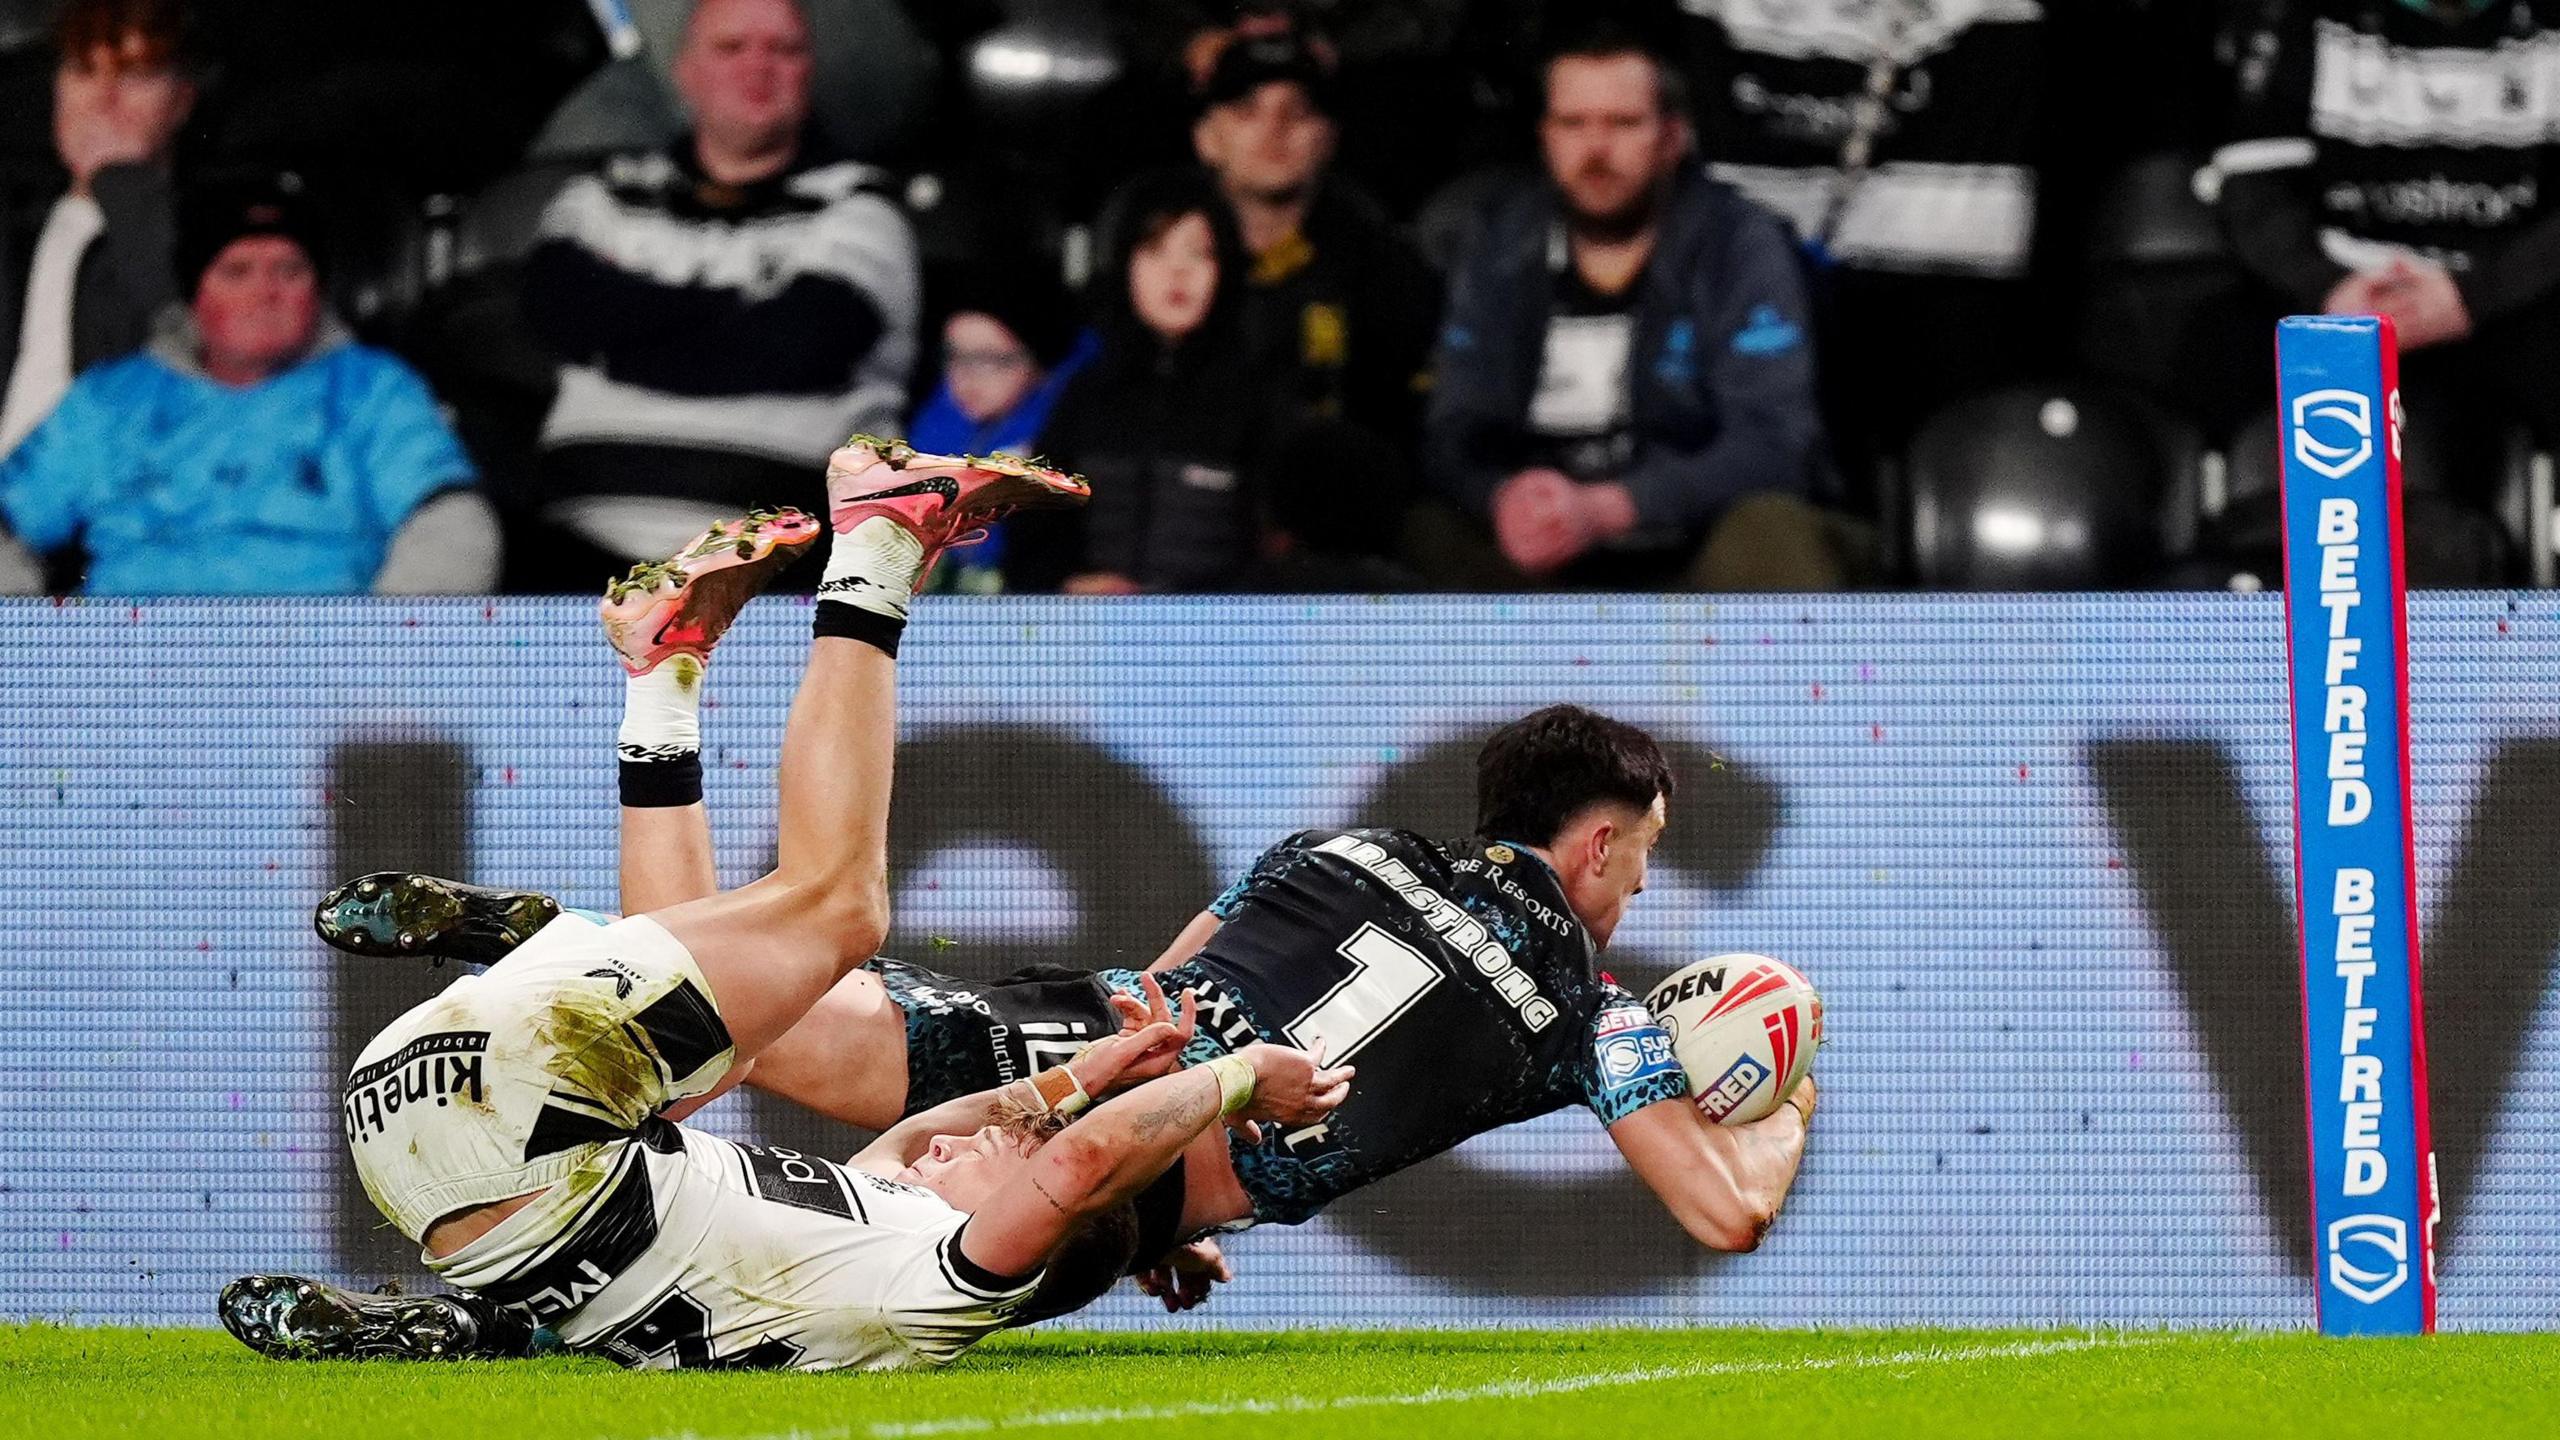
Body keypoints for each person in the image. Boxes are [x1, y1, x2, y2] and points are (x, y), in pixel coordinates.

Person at [225, 434, 1818, 1353]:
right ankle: (866, 563)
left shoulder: (1352, 850)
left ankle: (662, 701)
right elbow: (1723, 1214)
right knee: (806, 944)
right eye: (1649, 855)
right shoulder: (1590, 1018)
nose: (1637, 885)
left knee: (740, 1035)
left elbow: (1188, 961)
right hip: (1126, 1142)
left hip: (1086, 1037)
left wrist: (1160, 1141)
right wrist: (1783, 1077)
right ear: (1604, 846)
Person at [229, 447, 1351, 1371]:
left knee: (837, 917)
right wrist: (1070, 1081)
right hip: (443, 1139)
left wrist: (1240, 1078)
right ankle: (659, 692)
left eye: (1008, 1154)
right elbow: (935, 1137)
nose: (987, 1134)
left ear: (1030, 1234)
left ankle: (878, 547)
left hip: (527, 1134)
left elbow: (1070, 1172)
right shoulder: (861, 1249)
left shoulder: (943, 1289)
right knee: (734, 1044)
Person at [1418, 28, 1838, 592]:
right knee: (1424, 529)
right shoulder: (1499, 243)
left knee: (1772, 533)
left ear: (1671, 137)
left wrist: (1611, 508)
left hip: (1689, 534)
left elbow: (1776, 446)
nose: (1595, 149)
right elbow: (1454, 428)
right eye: (1573, 124)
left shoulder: (1739, 243)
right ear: (1546, 137)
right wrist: (1501, 497)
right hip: (1532, 538)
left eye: (1622, 124)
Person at [521, 0, 920, 582]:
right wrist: (735, 315)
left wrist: (615, 342)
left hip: (782, 570)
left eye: (783, 50)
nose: (758, 67)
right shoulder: (601, 194)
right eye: (731, 48)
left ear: (809, 71)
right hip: (575, 558)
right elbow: (555, 309)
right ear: (685, 71)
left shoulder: (864, 212)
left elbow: (792, 345)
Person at [0, 177, 497, 595]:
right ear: (195, 294)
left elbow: (451, 520)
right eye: (237, 272)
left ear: (318, 290)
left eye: (290, 270)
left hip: (316, 675)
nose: (266, 292)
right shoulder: (110, 400)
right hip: (130, 673)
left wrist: (387, 661)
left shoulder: (372, 390)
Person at [2215, 0, 2560, 461]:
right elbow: (2252, 184)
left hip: (2511, 298)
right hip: (2338, 294)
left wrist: (2475, 295)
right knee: (2218, 360)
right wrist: (2329, 287)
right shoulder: (2302, 16)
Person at [1008, 171, 1272, 595]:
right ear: (1122, 264)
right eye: (1154, 250)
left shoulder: (1260, 398)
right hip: (1090, 640)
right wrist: (1068, 586)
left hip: (1225, 644)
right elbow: (1032, 538)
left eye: (1199, 253)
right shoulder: (1085, 394)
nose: (1177, 272)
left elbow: (1281, 555)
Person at [1187, 26, 1438, 446]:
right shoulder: (1154, 260)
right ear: (1207, 138)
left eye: (1299, 111)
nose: (1275, 128)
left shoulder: (1383, 270)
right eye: (1248, 110)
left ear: (1328, 139)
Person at [0, 0, 196, 463]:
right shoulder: (21, 221)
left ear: (181, 100)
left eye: (135, 76)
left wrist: (124, 185)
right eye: (84, 72)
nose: (103, 99)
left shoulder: (201, 230)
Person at [904, 262, 1094, 592]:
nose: (966, 376)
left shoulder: (1067, 431)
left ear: (1039, 362)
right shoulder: (933, 424)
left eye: (992, 359)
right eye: (955, 355)